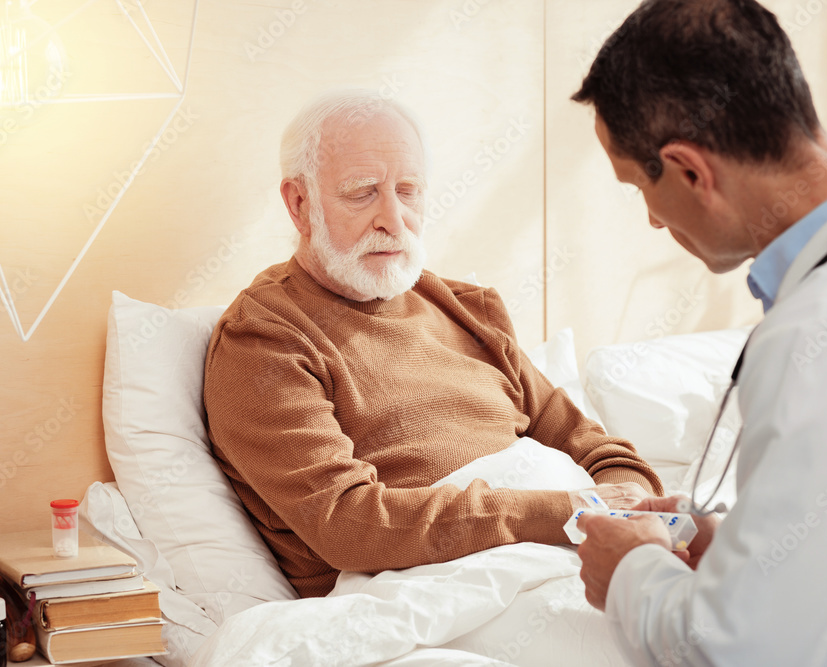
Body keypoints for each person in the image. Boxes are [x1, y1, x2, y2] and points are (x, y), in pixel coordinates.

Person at [203, 89, 663, 599]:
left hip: (572, 550)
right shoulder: (263, 340)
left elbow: (597, 450)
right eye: (362, 192)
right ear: (299, 203)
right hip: (430, 590)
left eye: (408, 190)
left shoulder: (466, 310)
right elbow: (349, 525)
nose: (393, 219)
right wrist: (571, 511)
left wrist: (632, 508)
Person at [570, 0, 827, 664]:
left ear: (692, 171)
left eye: (639, 187)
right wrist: (746, 558)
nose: (654, 223)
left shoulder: (823, 335)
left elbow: (746, 652)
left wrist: (631, 571)